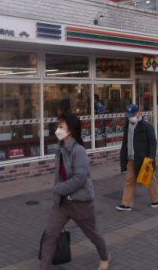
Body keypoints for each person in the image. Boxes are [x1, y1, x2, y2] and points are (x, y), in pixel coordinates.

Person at [39, 114, 110, 270]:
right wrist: (57, 195)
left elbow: (79, 178)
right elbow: (59, 175)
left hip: (81, 203)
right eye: (58, 127)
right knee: (50, 234)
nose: (58, 130)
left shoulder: (79, 151)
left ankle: (105, 257)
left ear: (70, 130)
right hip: (62, 203)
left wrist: (58, 189)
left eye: (61, 127)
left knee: (93, 234)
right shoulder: (60, 149)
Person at [116, 104, 158, 211]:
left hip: (144, 159)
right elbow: (125, 143)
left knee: (149, 180)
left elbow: (153, 143)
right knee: (129, 180)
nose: (130, 117)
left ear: (138, 113)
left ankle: (155, 200)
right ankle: (126, 204)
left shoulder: (147, 126)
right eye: (129, 115)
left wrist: (151, 157)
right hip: (131, 158)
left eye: (132, 115)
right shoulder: (127, 126)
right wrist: (123, 158)